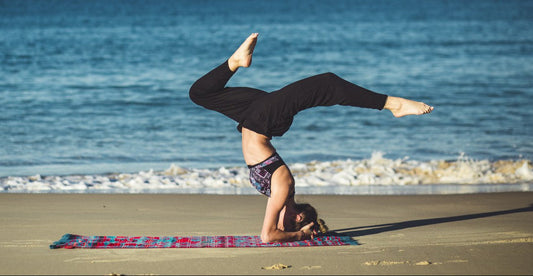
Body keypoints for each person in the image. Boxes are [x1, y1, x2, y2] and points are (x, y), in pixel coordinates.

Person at [189, 33, 433, 243]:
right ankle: (393, 105)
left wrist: (303, 232)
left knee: (200, 93)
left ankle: (235, 62)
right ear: (297, 216)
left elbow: (270, 233)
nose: (276, 222)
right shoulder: (284, 187)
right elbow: (268, 235)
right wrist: (300, 235)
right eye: (284, 224)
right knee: (328, 83)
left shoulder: (277, 196)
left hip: (253, 116)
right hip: (264, 120)